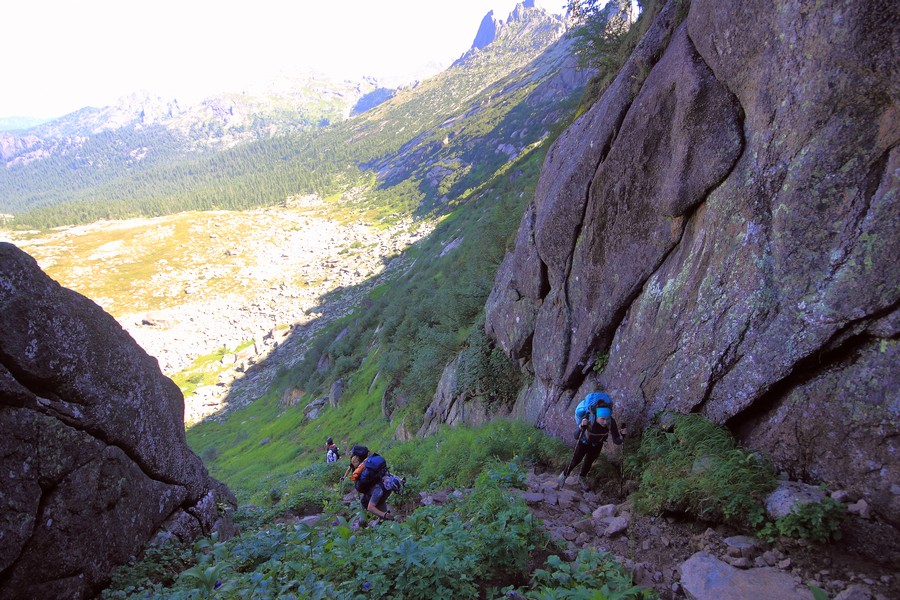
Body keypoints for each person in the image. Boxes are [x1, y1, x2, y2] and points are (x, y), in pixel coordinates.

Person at [557, 391, 623, 491]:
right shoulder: (588, 419)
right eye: (602, 419)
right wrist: (580, 427)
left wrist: (622, 437)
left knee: (589, 462)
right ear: (597, 416)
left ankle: (582, 478)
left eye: (607, 419)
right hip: (584, 442)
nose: (605, 422)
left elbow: (616, 440)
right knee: (575, 461)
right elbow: (576, 436)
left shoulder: (611, 422)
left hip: (597, 444)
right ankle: (563, 476)